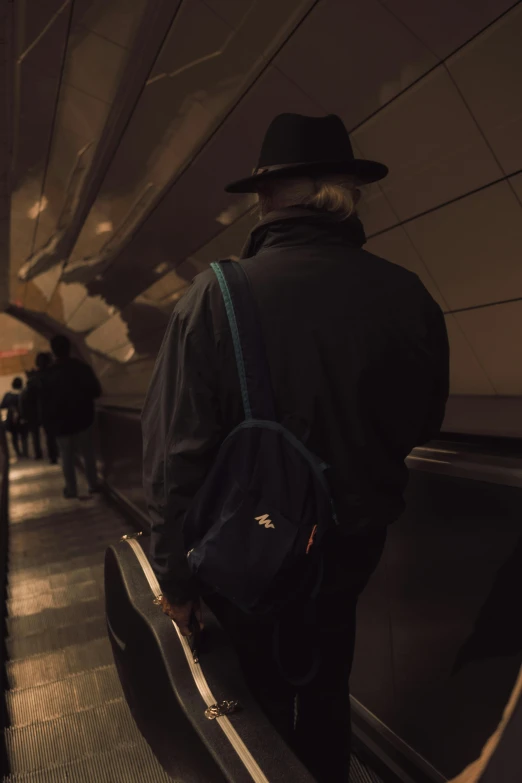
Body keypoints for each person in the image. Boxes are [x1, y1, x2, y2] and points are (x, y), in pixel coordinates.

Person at [142, 113, 450, 781]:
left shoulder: (216, 297)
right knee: (327, 680)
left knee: (258, 706)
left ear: (268, 197)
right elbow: (425, 420)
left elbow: (176, 455)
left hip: (252, 559)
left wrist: (174, 578)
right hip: (352, 547)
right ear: (347, 193)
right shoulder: (407, 293)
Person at [43, 335, 102, 498]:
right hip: (84, 418)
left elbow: (46, 403)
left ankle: (71, 489)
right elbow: (97, 391)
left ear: (53, 351)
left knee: (67, 457)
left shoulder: (48, 374)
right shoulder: (83, 368)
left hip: (61, 424)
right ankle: (93, 484)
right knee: (88, 453)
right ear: (69, 348)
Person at [23, 352, 59, 464]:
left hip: (44, 410)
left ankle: (53, 455)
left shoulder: (35, 379)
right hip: (58, 409)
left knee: (49, 435)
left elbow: (29, 398)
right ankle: (56, 453)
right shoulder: (55, 374)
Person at [1, 377, 29, 459]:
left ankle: (19, 454)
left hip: (11, 420)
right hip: (22, 418)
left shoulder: (8, 395)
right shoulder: (23, 394)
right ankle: (25, 453)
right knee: (24, 436)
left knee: (15, 437)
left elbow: (2, 405)